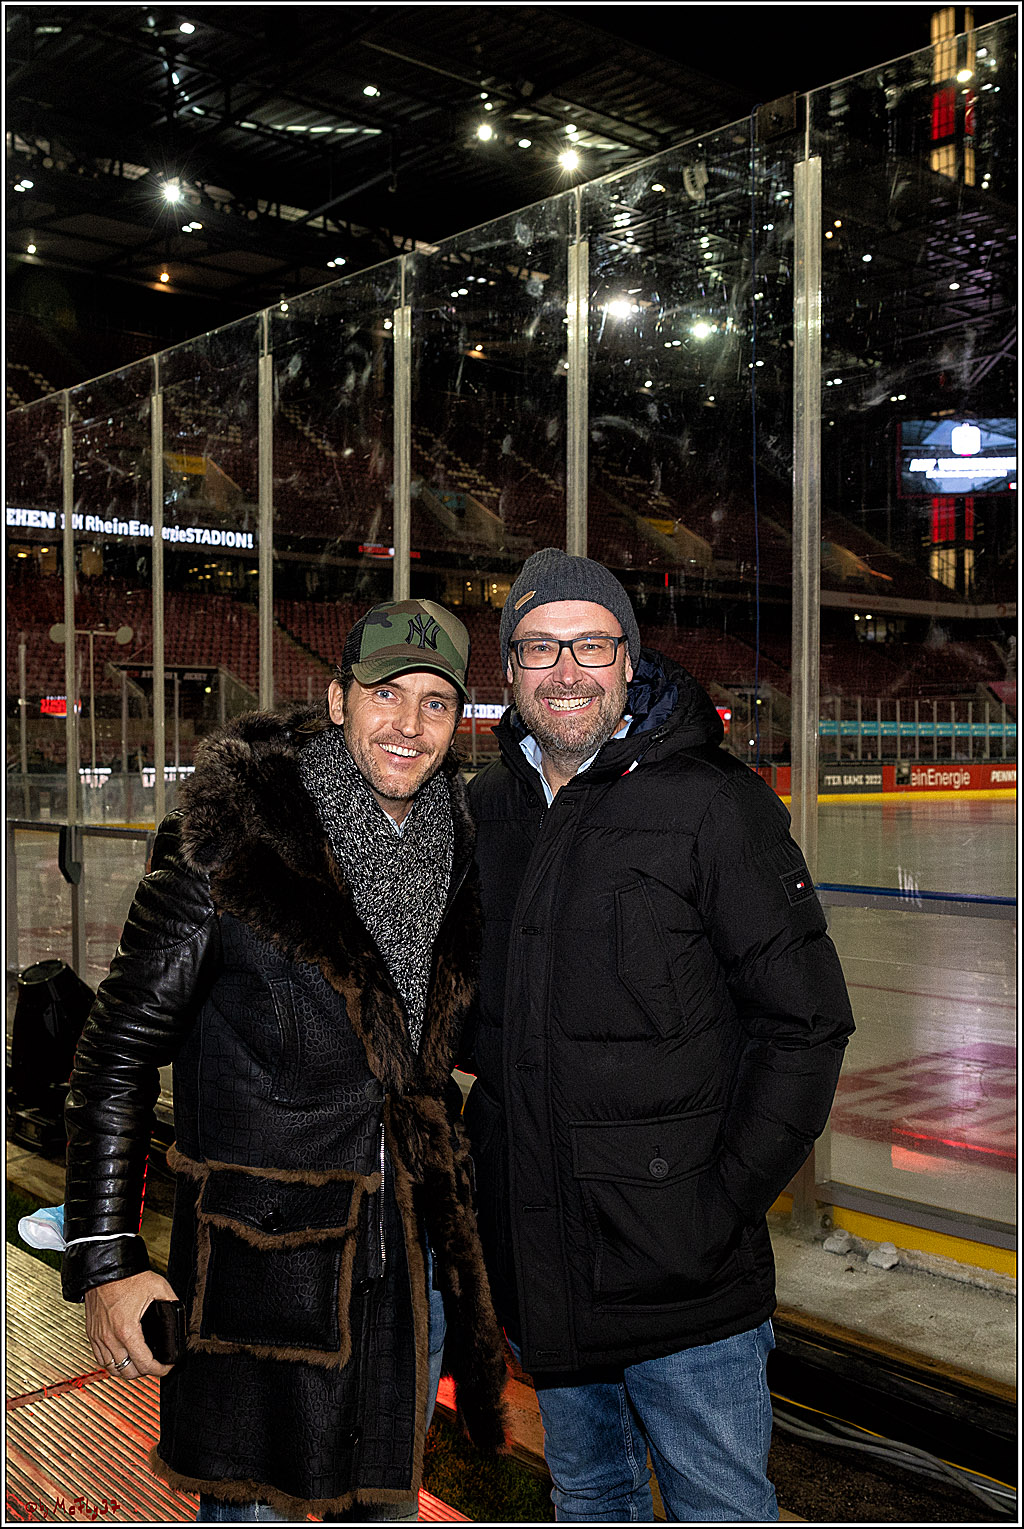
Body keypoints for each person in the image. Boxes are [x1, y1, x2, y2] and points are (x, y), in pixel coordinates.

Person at [62, 598, 507, 1523]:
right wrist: (105, 1256)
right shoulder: (231, 841)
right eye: (386, 694)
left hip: (405, 1266)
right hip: (262, 1270)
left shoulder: (453, 845)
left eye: (434, 702)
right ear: (339, 699)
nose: (409, 723)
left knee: (383, 1504)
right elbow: (115, 1051)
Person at [463, 548, 855, 1523]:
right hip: (545, 1265)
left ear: (630, 660)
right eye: (539, 647)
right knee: (590, 1493)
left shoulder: (714, 803)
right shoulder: (487, 808)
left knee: (718, 1504)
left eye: (590, 644)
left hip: (687, 1285)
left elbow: (805, 1022)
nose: (566, 670)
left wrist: (715, 1206)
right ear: (509, 669)